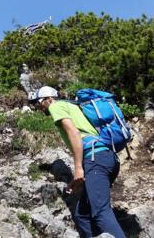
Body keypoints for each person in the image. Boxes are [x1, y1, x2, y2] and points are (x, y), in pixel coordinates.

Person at [30, 86, 126, 238]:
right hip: (107, 158)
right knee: (82, 213)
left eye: (39, 102)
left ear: (49, 99)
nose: (38, 106)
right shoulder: (73, 106)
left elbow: (74, 133)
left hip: (95, 158)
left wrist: (78, 168)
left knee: (100, 210)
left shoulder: (56, 106)